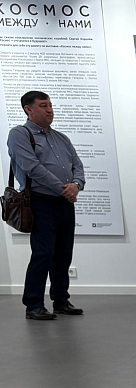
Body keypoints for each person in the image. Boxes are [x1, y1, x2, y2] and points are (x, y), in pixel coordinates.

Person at [6, 90, 85, 320]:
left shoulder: (61, 138)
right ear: (28, 109)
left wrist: (76, 185)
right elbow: (33, 168)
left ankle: (60, 300)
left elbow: (78, 166)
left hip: (64, 202)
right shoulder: (19, 134)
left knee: (63, 253)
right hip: (40, 201)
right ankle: (33, 305)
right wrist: (64, 188)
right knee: (43, 253)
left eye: (50, 105)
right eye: (43, 105)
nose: (50, 110)